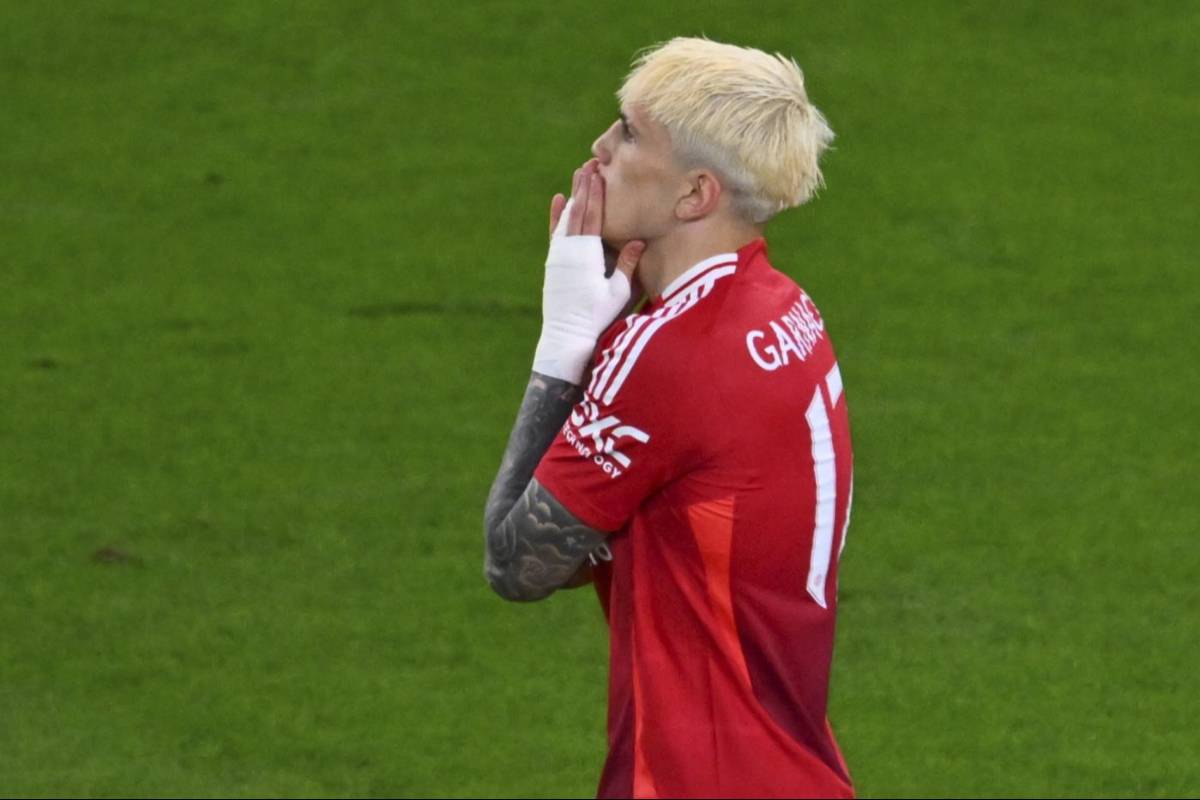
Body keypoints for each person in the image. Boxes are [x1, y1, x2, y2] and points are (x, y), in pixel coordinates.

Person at [483, 37, 854, 799]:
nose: (599, 147)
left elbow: (516, 564)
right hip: (784, 766)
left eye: (628, 133)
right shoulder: (783, 308)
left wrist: (563, 346)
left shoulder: (673, 353)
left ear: (694, 195)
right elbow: (604, 536)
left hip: (693, 777)